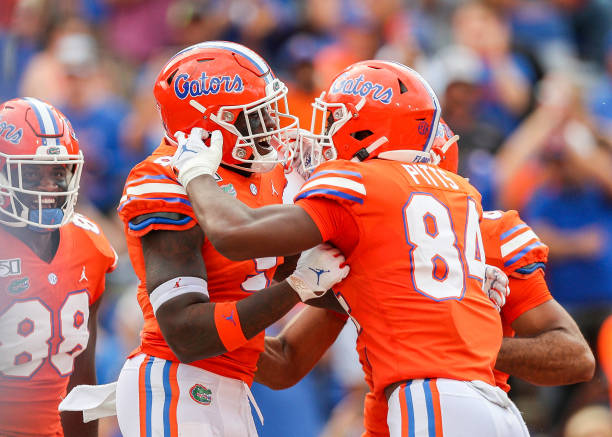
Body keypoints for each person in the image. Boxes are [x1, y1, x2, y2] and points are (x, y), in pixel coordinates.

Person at [170, 60, 528, 436]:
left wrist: (197, 173)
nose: (323, 135)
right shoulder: (459, 191)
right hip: (491, 403)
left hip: (431, 397)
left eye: (332, 121)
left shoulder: (359, 183)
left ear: (366, 129)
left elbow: (233, 233)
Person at [255, 121, 595, 436]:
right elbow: (286, 360)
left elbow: (575, 357)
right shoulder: (370, 243)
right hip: (403, 414)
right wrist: (223, 328)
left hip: (451, 407)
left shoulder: (490, 235)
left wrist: (463, 340)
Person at [113, 41, 349, 437]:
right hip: (175, 382)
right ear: (212, 123)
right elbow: (185, 333)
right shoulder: (163, 178)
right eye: (257, 115)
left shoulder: (264, 174)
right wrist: (297, 287)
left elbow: (289, 344)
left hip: (231, 387)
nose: (272, 124)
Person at [0, 97, 118, 437]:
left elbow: (81, 378)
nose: (50, 185)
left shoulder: (90, 245)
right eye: (32, 173)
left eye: (57, 172)